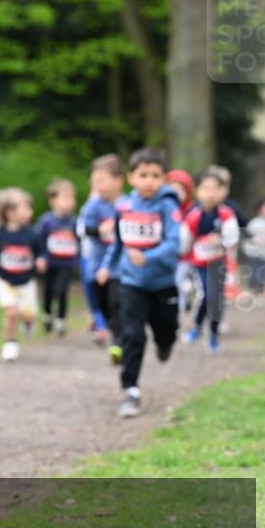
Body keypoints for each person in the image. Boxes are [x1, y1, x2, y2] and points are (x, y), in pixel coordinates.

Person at [96, 148, 181, 418]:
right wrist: (106, 266)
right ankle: (130, 390)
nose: (149, 181)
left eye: (156, 176)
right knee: (132, 334)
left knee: (166, 329)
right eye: (143, 175)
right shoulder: (124, 207)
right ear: (131, 177)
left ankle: (165, 343)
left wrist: (148, 256)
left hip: (163, 283)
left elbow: (173, 243)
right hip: (131, 283)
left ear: (164, 179)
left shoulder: (168, 205)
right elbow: (119, 243)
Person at [180, 167, 240, 353]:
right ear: (198, 191)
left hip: (219, 264)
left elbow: (233, 237)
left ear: (223, 191)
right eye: (206, 188)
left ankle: (213, 335)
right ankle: (197, 327)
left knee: (217, 300)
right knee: (207, 294)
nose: (210, 194)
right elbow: (183, 243)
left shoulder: (226, 214)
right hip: (200, 264)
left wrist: (220, 239)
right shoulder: (193, 216)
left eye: (215, 189)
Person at [0, 187, 46, 361]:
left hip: (26, 281)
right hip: (5, 280)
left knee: (28, 313)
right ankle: (10, 344)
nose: (30, 211)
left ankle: (28, 322)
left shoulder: (32, 233)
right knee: (11, 312)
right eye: (25, 207)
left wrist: (41, 260)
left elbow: (41, 251)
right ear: (9, 212)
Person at [80, 154, 125, 362]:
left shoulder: (128, 204)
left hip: (119, 266)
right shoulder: (93, 205)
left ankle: (118, 341)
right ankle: (110, 328)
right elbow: (84, 229)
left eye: (101, 181)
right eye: (94, 181)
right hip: (96, 264)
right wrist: (100, 229)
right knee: (102, 304)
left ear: (118, 181)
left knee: (116, 301)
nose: (96, 186)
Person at [37, 178, 79, 336]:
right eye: (65, 198)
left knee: (61, 291)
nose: (69, 202)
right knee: (48, 291)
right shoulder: (46, 221)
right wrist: (41, 257)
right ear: (52, 201)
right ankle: (47, 314)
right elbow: (39, 241)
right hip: (49, 263)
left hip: (66, 263)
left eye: (71, 198)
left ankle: (61, 319)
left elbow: (80, 242)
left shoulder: (75, 222)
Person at [165, 169, 198, 315]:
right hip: (170, 256)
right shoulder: (164, 208)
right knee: (176, 284)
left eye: (181, 189)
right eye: (173, 188)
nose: (177, 193)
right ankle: (179, 311)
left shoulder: (194, 210)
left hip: (191, 256)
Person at [245, 196, 265, 295]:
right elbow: (248, 238)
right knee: (256, 271)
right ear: (261, 208)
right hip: (256, 254)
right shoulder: (255, 223)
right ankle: (254, 288)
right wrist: (249, 250)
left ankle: (260, 290)